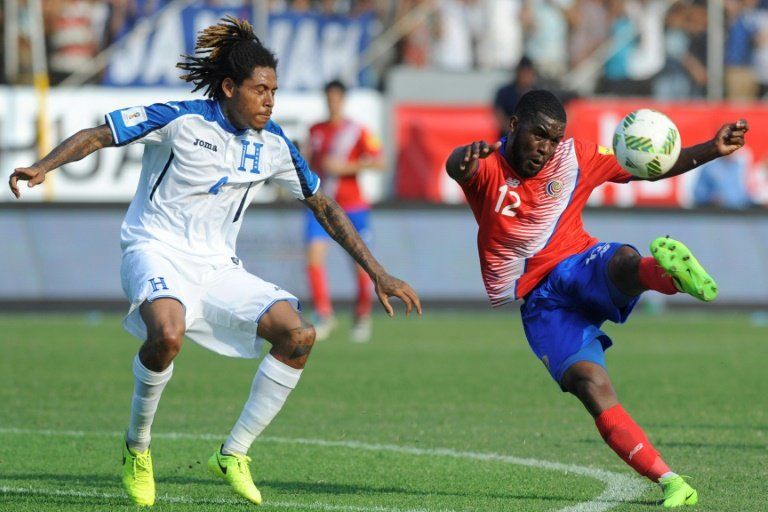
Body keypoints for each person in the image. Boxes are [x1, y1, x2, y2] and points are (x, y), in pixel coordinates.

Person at [8, 16, 421, 507]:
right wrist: (42, 166)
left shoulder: (274, 147)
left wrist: (377, 272)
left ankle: (234, 453)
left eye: (275, 90)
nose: (270, 100)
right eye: (259, 89)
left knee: (299, 335)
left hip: (218, 268)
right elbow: (100, 135)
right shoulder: (181, 120)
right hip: (153, 248)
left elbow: (325, 206)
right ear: (229, 87)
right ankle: (137, 449)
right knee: (168, 334)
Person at [445, 90, 748, 508]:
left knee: (622, 260)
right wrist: (461, 156)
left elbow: (649, 168)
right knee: (592, 385)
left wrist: (712, 149)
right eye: (539, 136)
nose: (546, 148)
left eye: (554, 139)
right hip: (540, 303)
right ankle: (672, 481)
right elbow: (457, 166)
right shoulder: (486, 168)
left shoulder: (574, 157)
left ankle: (666, 275)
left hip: (577, 262)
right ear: (514, 126)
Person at [305, 79, 385, 343]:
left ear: (343, 100)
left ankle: (362, 316)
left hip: (353, 206)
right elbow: (307, 162)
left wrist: (345, 168)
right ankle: (324, 313)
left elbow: (380, 161)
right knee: (314, 256)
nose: (332, 102)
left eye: (337, 98)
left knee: (360, 265)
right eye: (329, 98)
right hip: (323, 204)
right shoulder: (315, 130)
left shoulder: (356, 130)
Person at [492, 56, 538, 139]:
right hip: (508, 135)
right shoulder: (504, 92)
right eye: (523, 73)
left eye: (528, 74)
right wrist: (511, 129)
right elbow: (498, 112)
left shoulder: (539, 93)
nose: (525, 77)